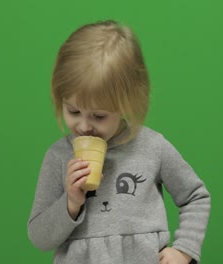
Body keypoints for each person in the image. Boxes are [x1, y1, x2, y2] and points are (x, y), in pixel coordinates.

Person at [27, 20, 211, 264]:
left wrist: (184, 249)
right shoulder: (59, 156)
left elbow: (195, 196)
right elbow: (39, 237)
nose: (83, 126)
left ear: (127, 104)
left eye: (99, 116)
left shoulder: (152, 147)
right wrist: (70, 203)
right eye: (73, 111)